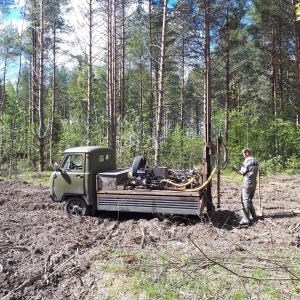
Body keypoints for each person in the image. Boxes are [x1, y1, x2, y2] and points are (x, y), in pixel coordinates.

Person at [233, 148, 259, 225]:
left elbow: (242, 172)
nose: (243, 156)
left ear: (247, 153)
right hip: (254, 182)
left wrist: (236, 170)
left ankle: (245, 219)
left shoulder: (247, 161)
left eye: (243, 154)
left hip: (247, 181)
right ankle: (253, 217)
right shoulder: (255, 160)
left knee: (245, 200)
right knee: (250, 199)